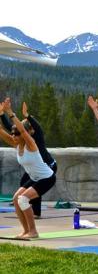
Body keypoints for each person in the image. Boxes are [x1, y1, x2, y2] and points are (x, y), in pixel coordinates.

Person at [0, 101, 56, 238]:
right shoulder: (16, 144)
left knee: (23, 199)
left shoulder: (31, 144)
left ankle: (33, 231)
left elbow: (23, 130)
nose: (14, 136)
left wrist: (10, 112)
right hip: (34, 178)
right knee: (16, 199)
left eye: (16, 134)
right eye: (13, 134)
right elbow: (3, 132)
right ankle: (26, 230)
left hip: (47, 178)